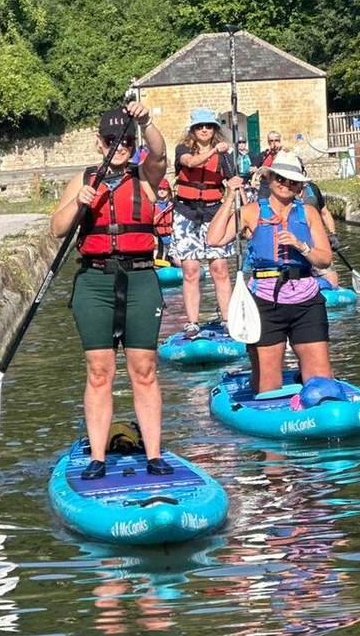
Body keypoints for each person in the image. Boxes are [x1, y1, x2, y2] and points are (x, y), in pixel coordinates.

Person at [50, 101, 171, 480]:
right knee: (99, 371)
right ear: (98, 143)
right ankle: (97, 458)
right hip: (95, 281)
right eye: (111, 140)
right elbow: (57, 228)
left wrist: (147, 121)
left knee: (144, 369)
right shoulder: (84, 179)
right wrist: (78, 203)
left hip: (139, 279)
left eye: (126, 141)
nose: (119, 147)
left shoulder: (146, 175)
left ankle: (153, 455)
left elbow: (161, 152)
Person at [206, 150, 335, 395]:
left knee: (321, 380)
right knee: (268, 384)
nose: (286, 185)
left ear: (299, 186)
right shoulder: (251, 212)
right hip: (265, 302)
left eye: (292, 181)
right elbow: (213, 239)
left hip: (306, 301)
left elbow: (325, 259)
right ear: (270, 178)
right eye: (280, 178)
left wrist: (301, 246)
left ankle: (310, 392)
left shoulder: (308, 213)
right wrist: (228, 198)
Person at [170, 107, 235, 337]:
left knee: (219, 268)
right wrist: (213, 151)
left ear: (215, 129)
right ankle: (192, 323)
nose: (204, 130)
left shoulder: (225, 155)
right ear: (193, 130)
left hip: (214, 213)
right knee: (190, 269)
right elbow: (191, 163)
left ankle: (227, 319)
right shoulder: (183, 149)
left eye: (208, 126)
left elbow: (232, 181)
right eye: (200, 126)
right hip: (186, 212)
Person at [253, 131, 284, 201]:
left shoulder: (284, 154)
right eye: (271, 141)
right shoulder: (264, 155)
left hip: (280, 183)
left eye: (276, 140)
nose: (274, 143)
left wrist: (280, 150)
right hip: (265, 184)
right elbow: (254, 166)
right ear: (268, 142)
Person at [154, 178, 175, 263]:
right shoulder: (152, 205)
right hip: (157, 237)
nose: (162, 191)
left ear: (168, 191)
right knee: (157, 250)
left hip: (171, 238)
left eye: (164, 189)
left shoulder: (172, 205)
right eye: (159, 189)